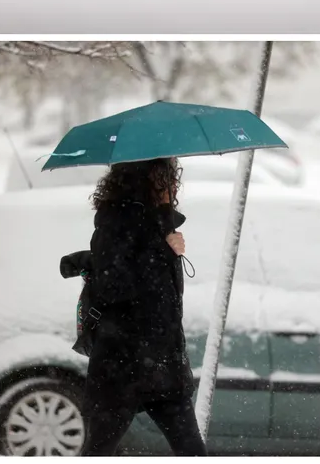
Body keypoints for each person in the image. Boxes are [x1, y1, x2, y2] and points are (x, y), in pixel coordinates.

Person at [80, 157, 205, 456]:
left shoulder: (158, 220)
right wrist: (162, 249)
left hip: (162, 364)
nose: (174, 184)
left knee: (193, 452)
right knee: (98, 451)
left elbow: (167, 299)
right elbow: (113, 287)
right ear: (146, 178)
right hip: (123, 366)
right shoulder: (116, 222)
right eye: (166, 177)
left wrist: (166, 236)